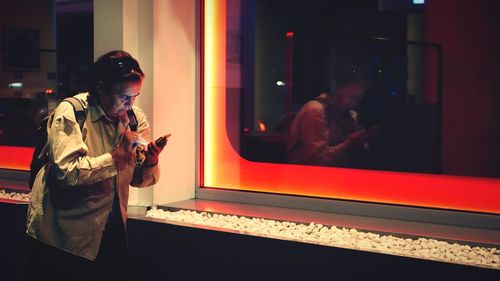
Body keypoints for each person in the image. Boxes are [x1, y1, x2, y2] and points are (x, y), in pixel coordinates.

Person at [25, 50, 165, 280]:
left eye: (136, 96)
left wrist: (151, 162)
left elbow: (138, 179)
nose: (130, 104)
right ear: (101, 88)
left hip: (110, 234)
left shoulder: (135, 119)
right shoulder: (72, 112)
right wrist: (117, 156)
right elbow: (66, 173)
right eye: (124, 97)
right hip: (63, 238)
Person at [287, 65, 375, 168]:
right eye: (352, 97)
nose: (355, 103)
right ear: (338, 90)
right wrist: (348, 144)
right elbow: (316, 161)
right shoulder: (315, 111)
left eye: (358, 99)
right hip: (306, 179)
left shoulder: (346, 114)